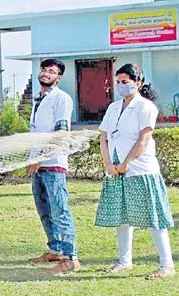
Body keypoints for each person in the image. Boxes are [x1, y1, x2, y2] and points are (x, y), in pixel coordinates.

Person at [95, 63, 174, 279]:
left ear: (138, 83)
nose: (121, 86)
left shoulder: (145, 107)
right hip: (115, 168)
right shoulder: (113, 108)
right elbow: (104, 137)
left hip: (140, 169)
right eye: (118, 82)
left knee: (153, 217)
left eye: (125, 82)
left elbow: (144, 138)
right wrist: (109, 164)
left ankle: (166, 265)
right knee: (122, 217)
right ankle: (124, 260)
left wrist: (127, 163)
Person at [26, 59, 80, 273]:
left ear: (59, 78)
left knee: (60, 210)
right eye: (44, 70)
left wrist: (41, 157)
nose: (46, 74)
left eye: (52, 72)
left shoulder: (62, 99)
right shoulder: (38, 98)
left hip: (53, 163)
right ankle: (55, 250)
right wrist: (33, 158)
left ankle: (70, 258)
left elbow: (60, 133)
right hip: (37, 165)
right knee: (44, 210)